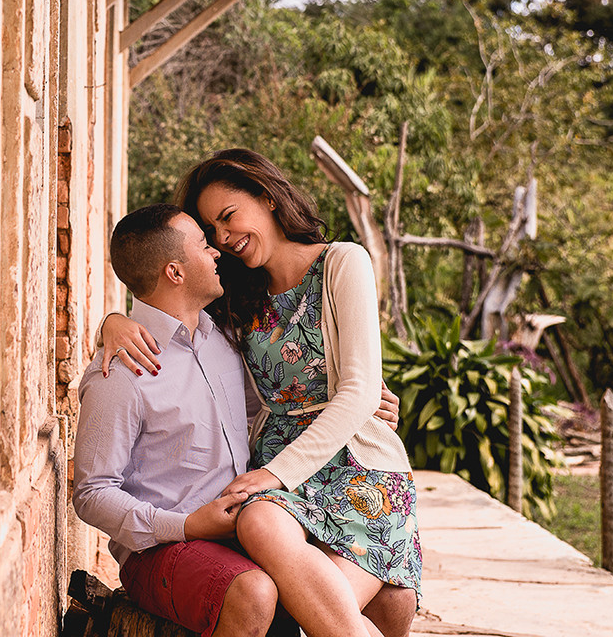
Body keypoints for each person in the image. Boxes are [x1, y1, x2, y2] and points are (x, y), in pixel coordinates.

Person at [102, 150, 422, 637]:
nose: (224, 239)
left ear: (268, 198)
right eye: (213, 233)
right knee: (261, 528)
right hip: (274, 477)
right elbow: (164, 296)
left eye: (229, 217)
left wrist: (273, 475)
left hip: (354, 469)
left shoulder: (342, 262)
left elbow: (358, 391)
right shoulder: (235, 296)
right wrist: (112, 321)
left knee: (337, 608)